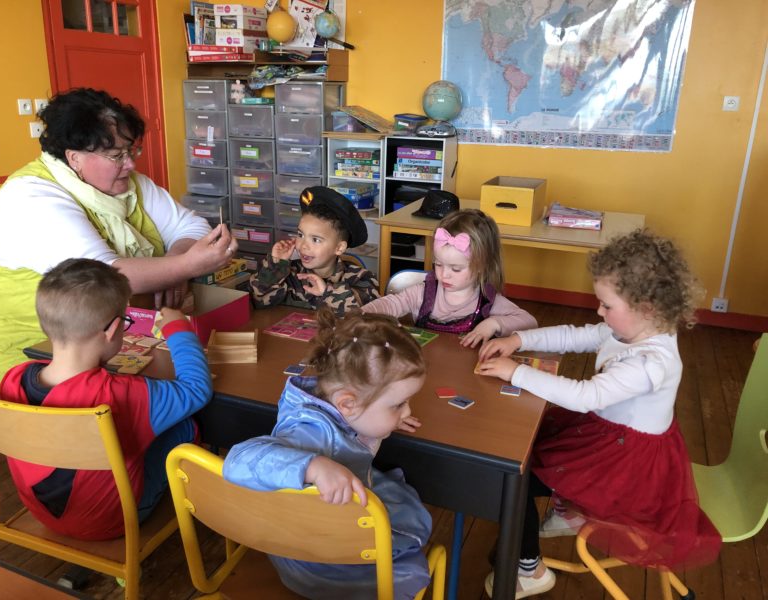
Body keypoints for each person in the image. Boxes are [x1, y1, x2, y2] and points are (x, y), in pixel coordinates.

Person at [476, 229, 721, 598]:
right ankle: (566, 507)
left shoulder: (649, 363)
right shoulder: (636, 328)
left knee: (516, 474)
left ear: (646, 308)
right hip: (611, 438)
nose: (599, 312)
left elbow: (584, 396)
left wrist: (516, 372)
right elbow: (575, 336)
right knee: (529, 450)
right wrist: (518, 340)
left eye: (607, 306)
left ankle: (529, 568)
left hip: (626, 467)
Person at [0, 88, 236, 397]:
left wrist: (173, 266)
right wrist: (185, 266)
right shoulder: (30, 197)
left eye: (131, 151)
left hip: (101, 344)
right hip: (23, 357)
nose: (130, 164)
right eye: (116, 155)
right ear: (74, 157)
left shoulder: (128, 185)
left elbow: (191, 226)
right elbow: (104, 278)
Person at [0, 258, 213, 541]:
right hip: (114, 519)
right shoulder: (119, 394)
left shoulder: (13, 379)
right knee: (185, 425)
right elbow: (197, 389)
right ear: (113, 330)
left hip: (41, 512)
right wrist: (178, 327)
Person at [223, 309, 432, 599]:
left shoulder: (334, 401)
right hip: (322, 566)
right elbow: (236, 461)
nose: (407, 411)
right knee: (415, 564)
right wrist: (313, 465)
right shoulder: (309, 434)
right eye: (398, 404)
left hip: (309, 542)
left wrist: (386, 417)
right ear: (348, 404)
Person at [362, 208, 537, 346]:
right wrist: (362, 313)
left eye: (456, 269)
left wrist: (494, 324)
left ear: (481, 267)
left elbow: (530, 322)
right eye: (438, 264)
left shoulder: (487, 301)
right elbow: (392, 303)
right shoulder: (423, 293)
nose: (444, 274)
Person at [249, 186, 379, 316]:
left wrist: (326, 292)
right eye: (300, 235)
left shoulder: (361, 278)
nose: (303, 246)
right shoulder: (289, 274)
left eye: (316, 240)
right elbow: (258, 301)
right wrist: (276, 265)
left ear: (339, 248)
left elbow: (366, 315)